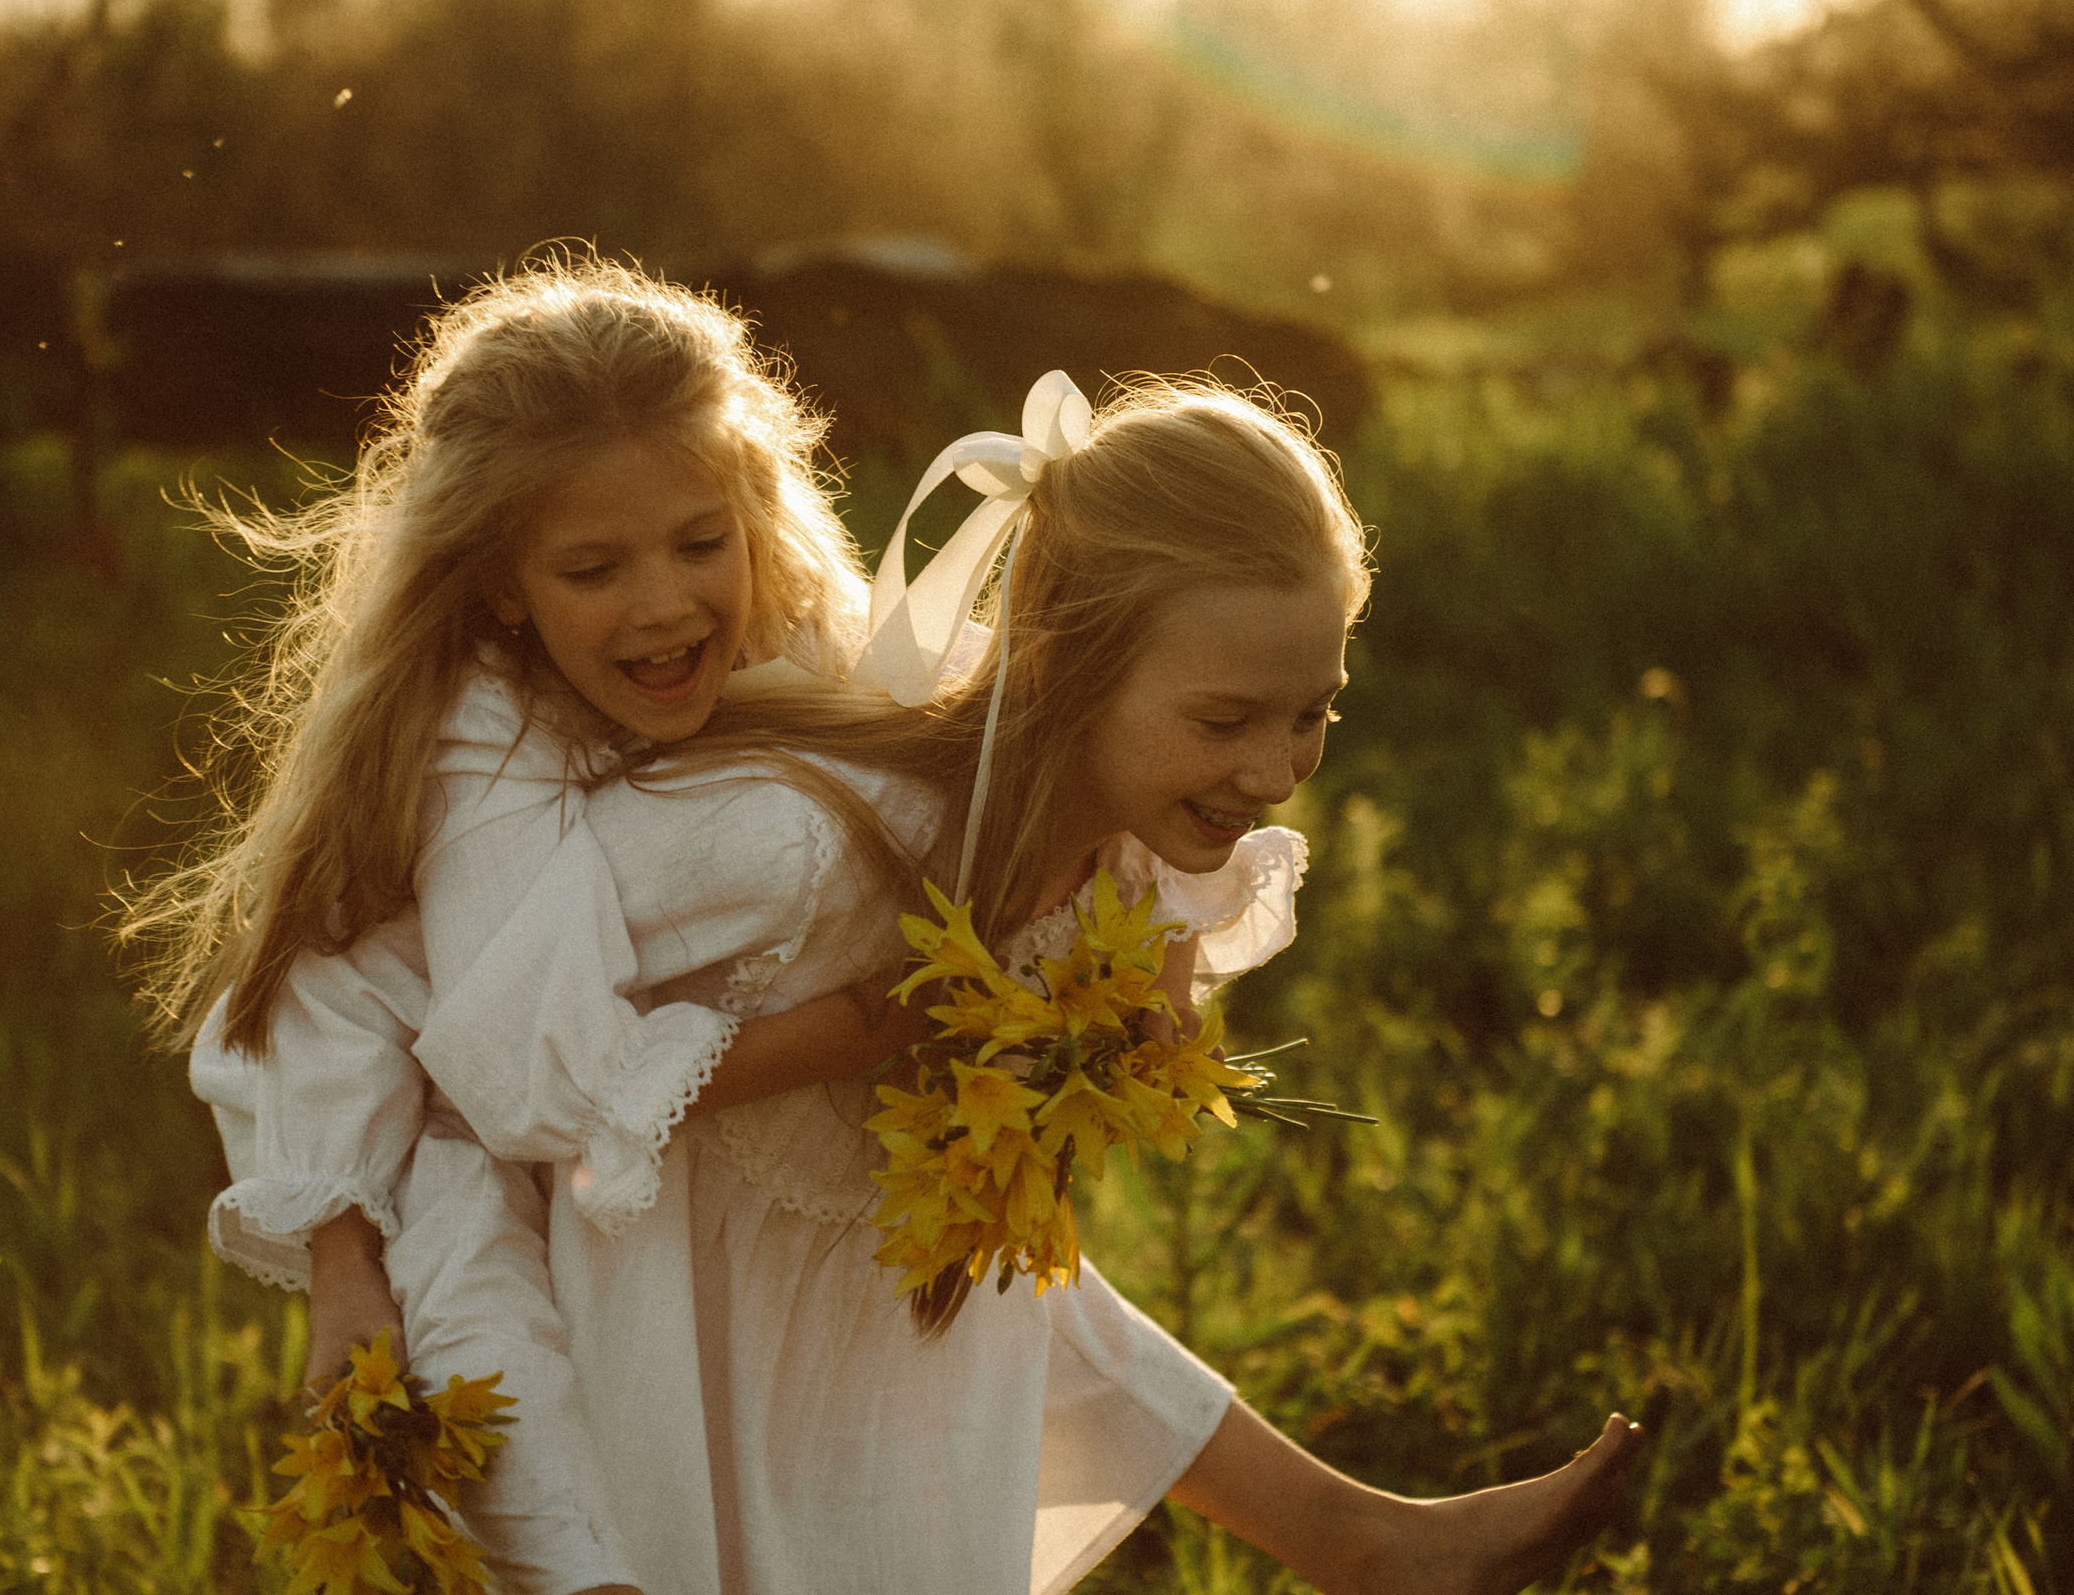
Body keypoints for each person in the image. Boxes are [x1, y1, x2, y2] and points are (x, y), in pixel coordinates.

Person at [404, 368, 1647, 1595]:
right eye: (1224, 723)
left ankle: (1359, 1539)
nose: (1275, 770)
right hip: (670, 1340)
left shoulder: (1124, 862)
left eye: (1313, 712)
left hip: (896, 1360)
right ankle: (1359, 1542)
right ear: (1054, 667)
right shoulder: (805, 846)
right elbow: (465, 1034)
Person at [130, 253, 914, 1595]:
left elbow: (926, 780)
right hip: (442, 1154)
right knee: (566, 1515)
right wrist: (342, 1264)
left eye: (698, 542)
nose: (665, 601)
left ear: (751, 515)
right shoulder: (470, 728)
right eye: (595, 566)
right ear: (503, 583)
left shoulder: (789, 634)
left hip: (638, 1174)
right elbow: (460, 1057)